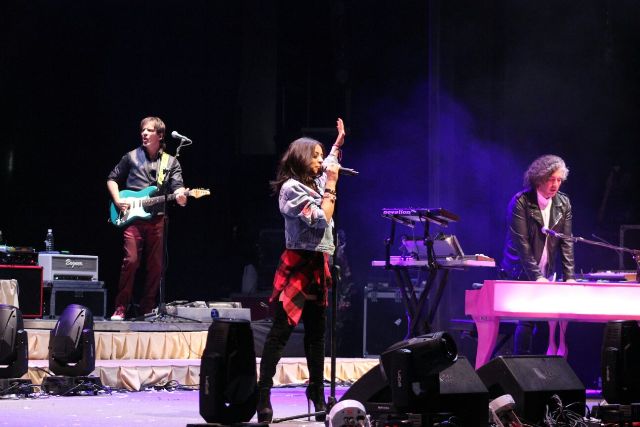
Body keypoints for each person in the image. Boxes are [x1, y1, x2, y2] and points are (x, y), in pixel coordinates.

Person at [256, 118, 346, 423]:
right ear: (301, 159)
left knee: (316, 335)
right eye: (315, 156)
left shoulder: (314, 183)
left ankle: (316, 392)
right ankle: (263, 393)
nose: (321, 161)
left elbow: (330, 165)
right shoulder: (291, 189)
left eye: (321, 156)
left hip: (318, 263)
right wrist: (331, 184)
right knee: (280, 332)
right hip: (298, 264)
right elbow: (321, 218)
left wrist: (336, 145)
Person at [107, 116, 188, 321]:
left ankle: (147, 309)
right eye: (143, 130)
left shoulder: (171, 162)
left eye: (149, 130)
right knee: (131, 261)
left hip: (157, 219)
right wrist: (117, 200)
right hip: (132, 218)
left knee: (156, 267)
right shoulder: (131, 157)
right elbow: (112, 179)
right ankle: (121, 307)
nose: (144, 133)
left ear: (160, 135)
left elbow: (178, 187)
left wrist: (181, 196)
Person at [501, 154, 575, 357]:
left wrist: (569, 277)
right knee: (528, 318)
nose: (555, 184)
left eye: (559, 180)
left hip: (546, 271)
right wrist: (537, 277)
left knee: (549, 319)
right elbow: (522, 245)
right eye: (551, 179)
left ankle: (546, 367)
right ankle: (521, 365)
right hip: (520, 271)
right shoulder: (521, 202)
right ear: (539, 179)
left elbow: (566, 242)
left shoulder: (563, 203)